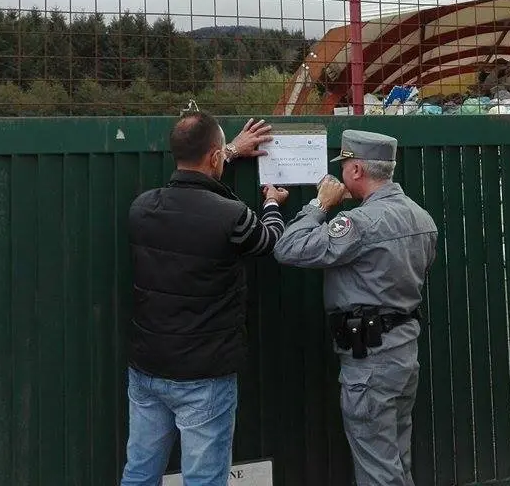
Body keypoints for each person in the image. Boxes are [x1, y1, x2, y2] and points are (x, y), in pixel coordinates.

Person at [121, 113, 289, 486]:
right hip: (203, 375)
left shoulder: (141, 209)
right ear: (214, 157)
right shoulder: (231, 216)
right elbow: (270, 240)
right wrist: (274, 203)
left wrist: (228, 150)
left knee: (139, 470)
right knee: (205, 478)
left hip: (147, 367)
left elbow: (196, 188)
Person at [273, 129, 438, 486]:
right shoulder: (423, 219)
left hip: (370, 361)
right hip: (403, 354)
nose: (343, 172)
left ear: (357, 171)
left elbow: (288, 248)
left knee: (378, 470)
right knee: (396, 460)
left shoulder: (360, 223)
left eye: (345, 164)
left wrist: (320, 204)